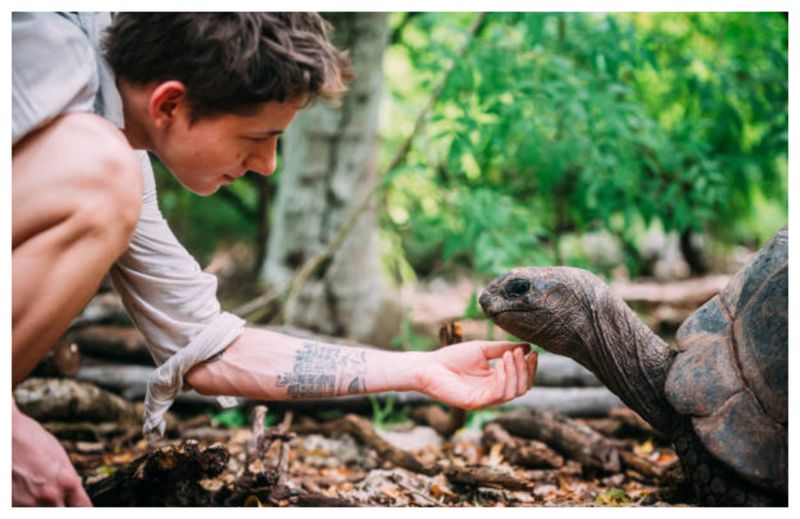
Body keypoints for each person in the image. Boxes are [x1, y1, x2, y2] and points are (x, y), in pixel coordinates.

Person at [11, 12, 539, 506]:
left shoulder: (118, 153)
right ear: (169, 105)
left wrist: (419, 369)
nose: (267, 165)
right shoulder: (41, 54)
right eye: (258, 137)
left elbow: (208, 346)